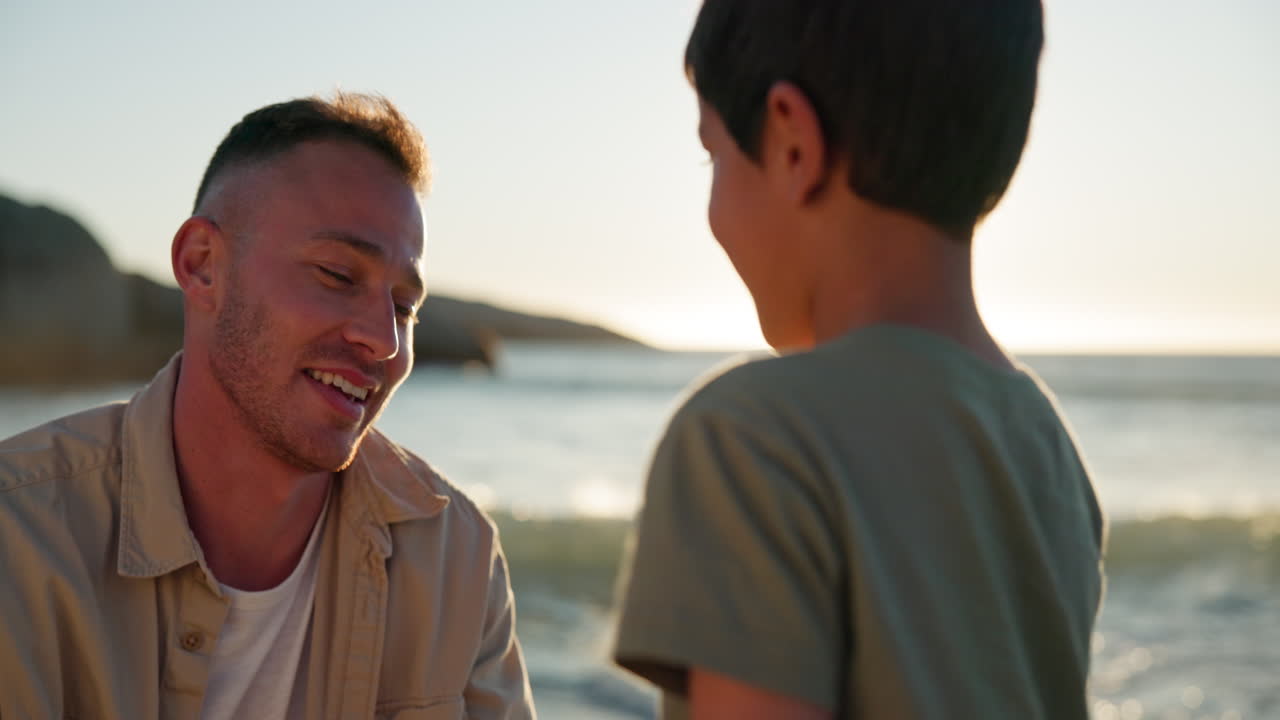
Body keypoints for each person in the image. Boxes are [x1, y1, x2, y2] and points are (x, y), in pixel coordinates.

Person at [613, 1, 1105, 718]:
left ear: (790, 143)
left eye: (712, 154)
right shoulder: (1047, 448)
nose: (713, 197)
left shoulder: (750, 440)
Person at [0, 93, 535, 719]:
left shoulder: (456, 559)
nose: (384, 340)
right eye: (337, 274)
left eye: (404, 307)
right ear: (202, 267)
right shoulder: (20, 537)